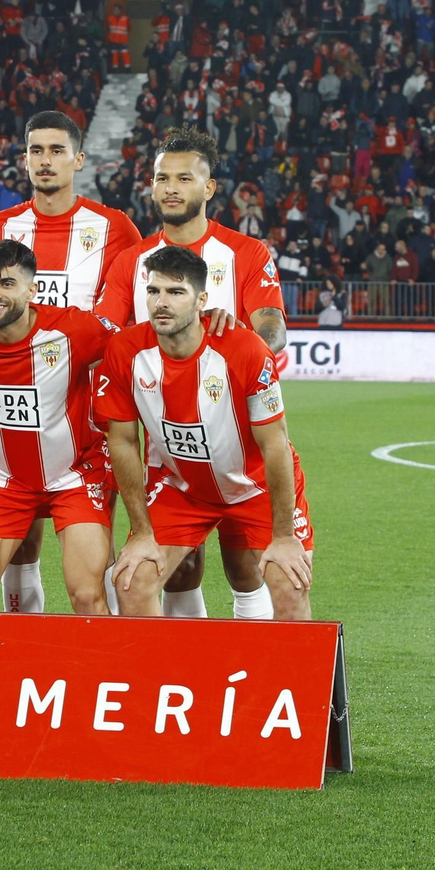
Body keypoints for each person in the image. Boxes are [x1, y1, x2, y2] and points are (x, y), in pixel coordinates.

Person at [95, 126, 288, 620]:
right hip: (168, 445)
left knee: (244, 567)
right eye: (163, 178)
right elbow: (105, 338)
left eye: (184, 178)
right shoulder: (131, 263)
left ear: (209, 187)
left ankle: (245, 659)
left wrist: (234, 339)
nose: (171, 188)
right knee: (178, 570)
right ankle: (183, 663)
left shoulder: (245, 253)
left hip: (236, 437)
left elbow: (273, 328)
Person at [97, 246, 315, 621]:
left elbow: (276, 445)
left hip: (256, 487)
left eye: (175, 292)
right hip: (182, 489)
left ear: (202, 300)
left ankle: (284, 663)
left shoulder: (246, 350)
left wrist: (283, 537)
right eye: (153, 291)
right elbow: (122, 442)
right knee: (133, 582)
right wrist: (142, 532)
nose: (161, 303)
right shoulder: (125, 351)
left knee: (288, 584)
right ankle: (166, 663)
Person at [0, 109, 142, 613]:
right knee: (19, 542)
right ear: (25, 159)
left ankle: (107, 646)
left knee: (95, 547)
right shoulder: (2, 225)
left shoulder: (115, 228)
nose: (45, 160)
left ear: (78, 159)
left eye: (57, 150)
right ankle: (23, 640)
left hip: (87, 413)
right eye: (36, 150)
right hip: (17, 406)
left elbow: (127, 315)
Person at [0, 240, 115, 615]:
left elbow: (141, 345)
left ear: (32, 290)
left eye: (7, 283)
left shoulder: (75, 329)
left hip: (76, 475)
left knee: (86, 595)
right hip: (5, 478)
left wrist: (205, 320)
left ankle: (106, 655)